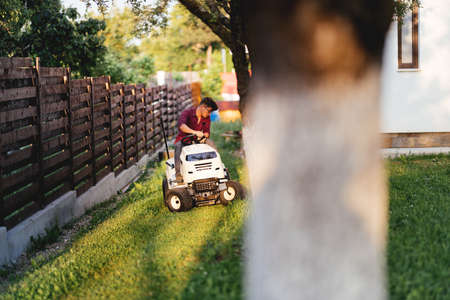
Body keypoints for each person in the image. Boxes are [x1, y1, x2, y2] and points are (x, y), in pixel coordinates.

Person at [174, 97, 219, 182]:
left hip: (197, 141)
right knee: (178, 145)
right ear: (202, 107)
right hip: (184, 140)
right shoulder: (187, 113)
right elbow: (182, 126)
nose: (209, 114)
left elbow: (207, 132)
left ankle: (217, 167)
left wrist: (203, 136)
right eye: (209, 111)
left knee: (211, 143)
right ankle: (178, 173)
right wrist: (195, 132)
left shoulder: (206, 118)